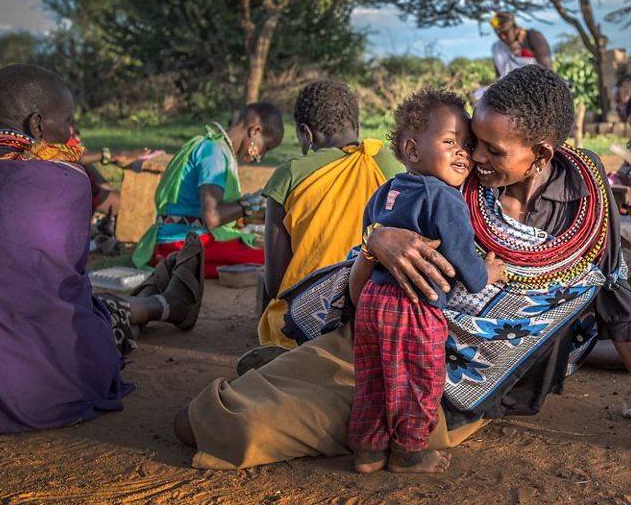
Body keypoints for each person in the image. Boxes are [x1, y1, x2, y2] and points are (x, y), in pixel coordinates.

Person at [174, 65, 631, 470]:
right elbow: (373, 254)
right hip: (382, 331)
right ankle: (297, 366)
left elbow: (618, 298)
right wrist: (378, 241)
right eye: (472, 142)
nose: (474, 158)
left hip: (456, 385)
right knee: (310, 387)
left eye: (492, 150)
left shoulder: (588, 199)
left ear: (543, 154)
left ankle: (279, 383)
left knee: (228, 425)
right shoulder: (452, 177)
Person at [0, 64, 204, 434]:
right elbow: (64, 286)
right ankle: (163, 305)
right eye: (67, 122)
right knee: (85, 317)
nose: (71, 134)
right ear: (37, 125)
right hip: (26, 383)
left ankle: (160, 301)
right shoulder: (65, 179)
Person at [348, 90, 504, 474]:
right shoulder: (447, 199)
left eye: (466, 145)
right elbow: (465, 267)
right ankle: (410, 451)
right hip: (415, 307)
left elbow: (369, 234)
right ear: (413, 150)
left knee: (374, 377)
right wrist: (490, 271)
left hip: (372, 301)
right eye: (450, 142)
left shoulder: (386, 191)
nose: (463, 154)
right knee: (418, 380)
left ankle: (368, 451)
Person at [257, 79, 402, 350]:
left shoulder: (289, 174)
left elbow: (276, 283)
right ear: (357, 127)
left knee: (277, 319)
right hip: (376, 316)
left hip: (303, 322)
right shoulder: (392, 165)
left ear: (306, 133)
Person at [132, 103, 284, 277]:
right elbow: (212, 217)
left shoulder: (215, 148)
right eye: (267, 147)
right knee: (274, 259)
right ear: (255, 131)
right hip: (181, 246)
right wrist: (253, 205)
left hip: (178, 242)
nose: (262, 156)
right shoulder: (215, 153)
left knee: (266, 252)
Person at [491, 11, 553, 80]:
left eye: (505, 32)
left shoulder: (533, 38)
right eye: (499, 34)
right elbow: (499, 76)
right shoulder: (496, 47)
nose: (503, 37)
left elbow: (548, 73)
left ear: (514, 25)